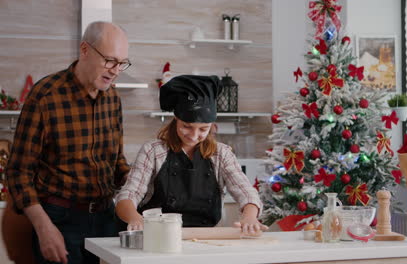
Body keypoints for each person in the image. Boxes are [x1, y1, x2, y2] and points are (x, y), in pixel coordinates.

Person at [5, 21, 131, 264]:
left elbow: (117, 163)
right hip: (59, 221)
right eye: (110, 60)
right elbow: (18, 172)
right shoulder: (46, 96)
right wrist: (44, 228)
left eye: (122, 63)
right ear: (85, 50)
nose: (116, 70)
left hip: (106, 220)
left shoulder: (113, 99)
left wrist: (143, 183)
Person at [115, 75, 267, 235]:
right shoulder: (152, 151)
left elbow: (246, 192)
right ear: (176, 120)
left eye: (203, 129)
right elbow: (129, 193)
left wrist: (250, 216)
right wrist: (135, 218)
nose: (194, 136)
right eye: (187, 126)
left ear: (212, 126)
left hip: (205, 237)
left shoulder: (222, 154)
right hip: (158, 235)